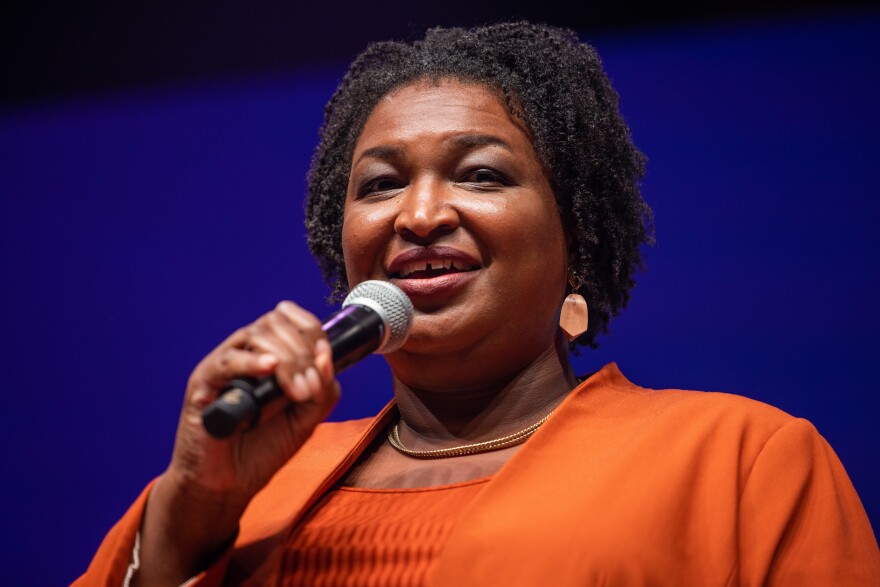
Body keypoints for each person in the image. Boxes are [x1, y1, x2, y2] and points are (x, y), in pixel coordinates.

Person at [77, 22, 879, 586]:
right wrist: (197, 504)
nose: (419, 214)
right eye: (382, 183)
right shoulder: (248, 487)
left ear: (577, 233)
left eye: (481, 174)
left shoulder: (743, 462)